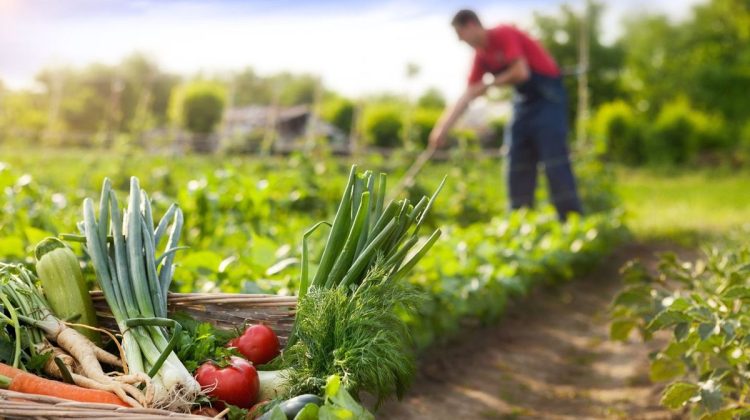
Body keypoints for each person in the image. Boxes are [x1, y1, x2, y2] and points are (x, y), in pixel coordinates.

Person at [428, 9, 583, 220]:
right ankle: (520, 223)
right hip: (524, 102)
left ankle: (572, 222)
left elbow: (521, 72)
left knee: (554, 160)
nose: (460, 40)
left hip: (549, 98)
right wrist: (441, 129)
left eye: (460, 34)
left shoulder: (503, 34)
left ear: (472, 25)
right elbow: (468, 94)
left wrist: (490, 83)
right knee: (516, 160)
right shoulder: (481, 57)